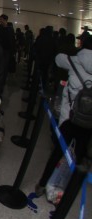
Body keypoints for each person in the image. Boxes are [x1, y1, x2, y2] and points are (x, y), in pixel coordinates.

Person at [35, 32, 92, 195]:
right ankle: (69, 192)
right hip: (89, 123)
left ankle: (42, 184)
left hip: (69, 119)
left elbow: (58, 58)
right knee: (80, 157)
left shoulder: (75, 60)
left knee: (57, 153)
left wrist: (75, 53)